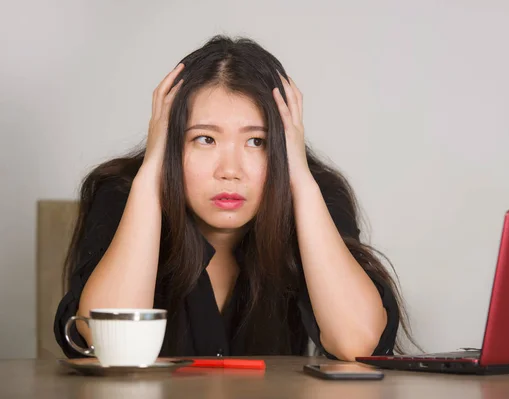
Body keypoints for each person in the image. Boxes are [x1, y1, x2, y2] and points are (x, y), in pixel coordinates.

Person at [54, 35, 415, 361]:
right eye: (205, 139)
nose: (230, 170)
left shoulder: (315, 194)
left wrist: (302, 183)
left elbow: (357, 344)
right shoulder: (122, 192)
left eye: (256, 142)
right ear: (170, 142)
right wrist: (151, 177)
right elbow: (108, 344)